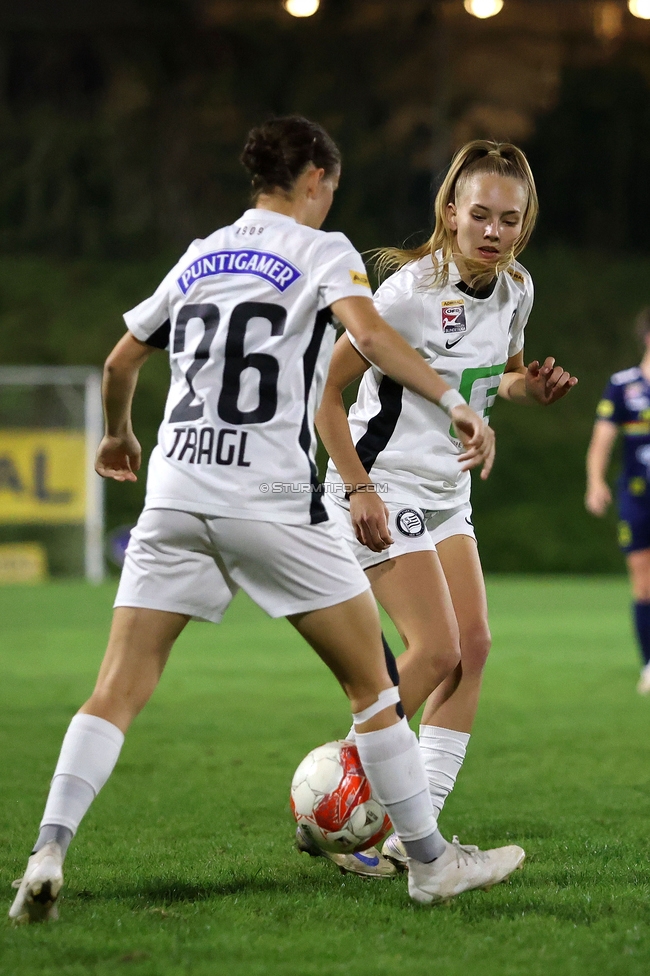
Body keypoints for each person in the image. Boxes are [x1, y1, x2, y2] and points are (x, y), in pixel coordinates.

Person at [8, 116, 523, 924]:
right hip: (272, 501)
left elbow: (119, 362)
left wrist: (117, 434)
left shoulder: (202, 251)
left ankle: (47, 850)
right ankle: (427, 862)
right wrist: (456, 401)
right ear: (316, 180)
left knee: (116, 688)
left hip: (175, 490)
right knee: (376, 688)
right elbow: (372, 335)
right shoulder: (325, 251)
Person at [295, 139, 577, 879]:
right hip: (382, 486)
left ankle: (397, 835)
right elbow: (327, 397)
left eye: (508, 219)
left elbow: (501, 378)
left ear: (524, 224)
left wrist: (531, 389)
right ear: (450, 214)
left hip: (448, 497)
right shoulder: (406, 296)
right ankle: (335, 794)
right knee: (437, 651)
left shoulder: (516, 287)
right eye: (478, 214)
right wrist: (355, 486)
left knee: (472, 650)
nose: (493, 230)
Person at [586, 309, 650, 694]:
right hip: (638, 498)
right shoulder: (624, 385)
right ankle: (648, 664)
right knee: (644, 582)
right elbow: (601, 441)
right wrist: (595, 482)